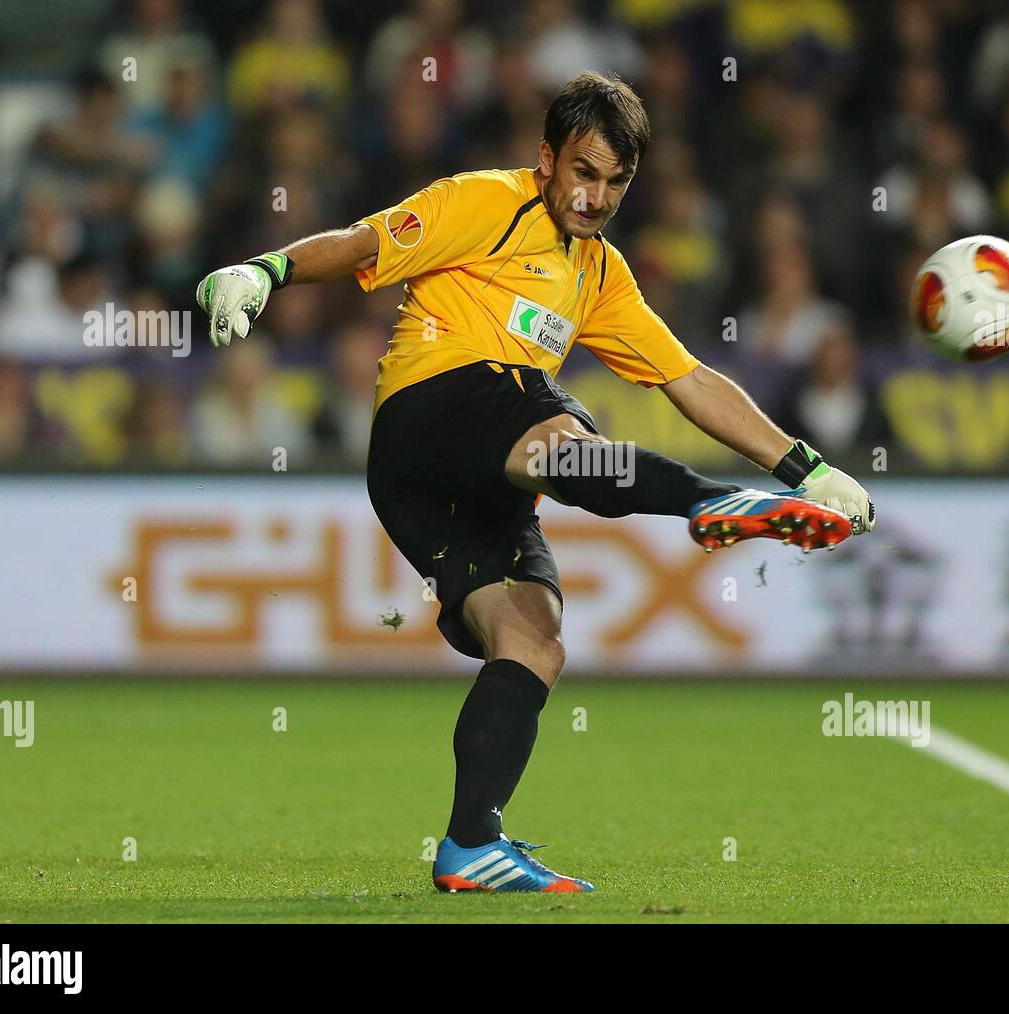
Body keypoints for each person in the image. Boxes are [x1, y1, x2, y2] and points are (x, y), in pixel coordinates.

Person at [195, 72, 875, 893]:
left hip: (438, 491)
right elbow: (366, 242)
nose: (594, 198)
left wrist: (806, 465)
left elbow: (689, 380)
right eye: (583, 173)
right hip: (433, 408)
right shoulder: (485, 201)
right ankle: (703, 501)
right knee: (559, 429)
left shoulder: (599, 274)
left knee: (533, 636)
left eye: (616, 183)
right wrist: (266, 270)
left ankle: (470, 845)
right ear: (546, 158)